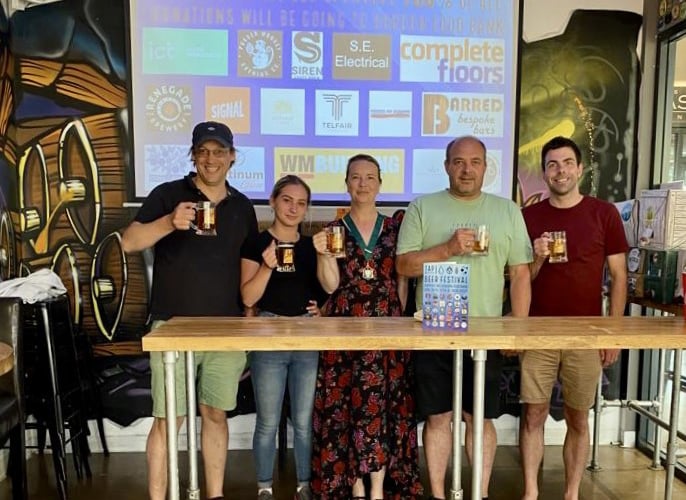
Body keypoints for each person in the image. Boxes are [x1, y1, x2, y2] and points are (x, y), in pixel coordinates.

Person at [121, 121, 258, 500]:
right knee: (169, 420)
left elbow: (247, 269)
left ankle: (214, 495)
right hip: (173, 326)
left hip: (225, 329)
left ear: (232, 157)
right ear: (193, 155)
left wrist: (249, 318)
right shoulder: (168, 195)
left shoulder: (242, 207)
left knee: (215, 414)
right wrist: (169, 222)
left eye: (219, 151)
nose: (211, 159)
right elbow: (129, 242)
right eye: (203, 151)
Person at [396, 136, 532, 500]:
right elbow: (404, 265)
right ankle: (438, 494)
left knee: (480, 418)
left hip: (486, 335)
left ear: (487, 167)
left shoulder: (507, 211)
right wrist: (448, 249)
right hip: (433, 330)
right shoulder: (422, 207)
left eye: (475, 162)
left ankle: (479, 493)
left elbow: (520, 273)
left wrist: (516, 331)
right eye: (458, 162)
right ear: (446, 166)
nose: (466, 169)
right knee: (438, 417)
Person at [519, 136, 628, 500]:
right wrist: (535, 258)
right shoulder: (529, 216)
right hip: (538, 332)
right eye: (552, 164)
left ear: (580, 169)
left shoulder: (604, 213)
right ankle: (532, 492)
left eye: (567, 163)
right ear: (545, 173)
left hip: (586, 333)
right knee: (533, 415)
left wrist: (612, 334)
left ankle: (571, 493)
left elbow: (619, 277)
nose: (560, 170)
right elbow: (520, 281)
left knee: (578, 417)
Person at [311, 154, 423, 500]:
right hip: (345, 325)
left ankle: (377, 488)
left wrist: (400, 319)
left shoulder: (395, 227)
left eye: (370, 177)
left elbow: (401, 280)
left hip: (387, 325)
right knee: (345, 407)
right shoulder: (332, 231)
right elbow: (330, 286)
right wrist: (323, 256)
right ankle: (355, 485)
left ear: (379, 184)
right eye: (356, 177)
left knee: (382, 406)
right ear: (346, 183)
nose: (363, 184)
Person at [239, 175, 337, 500]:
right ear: (273, 201)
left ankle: (305, 487)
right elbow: (249, 298)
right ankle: (264, 487)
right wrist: (267, 266)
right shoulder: (255, 243)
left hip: (306, 334)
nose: (294, 208)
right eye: (287, 200)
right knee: (267, 421)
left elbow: (330, 287)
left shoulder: (311, 246)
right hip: (268, 333)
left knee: (304, 422)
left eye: (301, 203)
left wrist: (320, 310)